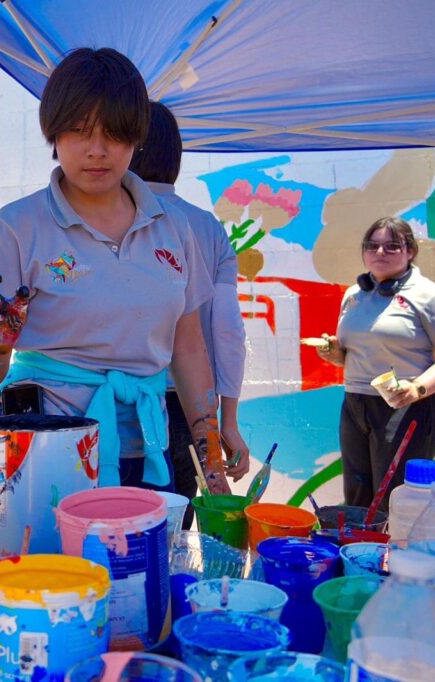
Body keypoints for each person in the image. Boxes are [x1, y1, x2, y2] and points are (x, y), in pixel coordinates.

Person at [0, 48, 243, 500]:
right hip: (41, 449)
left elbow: (188, 349)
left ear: (136, 137)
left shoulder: (175, 227)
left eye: (114, 133)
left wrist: (212, 469)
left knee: (142, 568)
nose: (97, 150)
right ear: (53, 132)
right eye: (78, 131)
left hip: (149, 452)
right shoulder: (17, 226)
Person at [128, 100, 249, 525]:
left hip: (116, 403)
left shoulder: (108, 217)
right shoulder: (207, 227)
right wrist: (227, 421)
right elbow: (227, 329)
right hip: (187, 407)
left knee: (113, 536)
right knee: (173, 534)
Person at [318, 216, 435, 508]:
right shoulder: (353, 295)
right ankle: (362, 554)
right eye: (372, 246)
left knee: (396, 501)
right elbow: (353, 354)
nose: (380, 253)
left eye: (392, 246)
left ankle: (397, 554)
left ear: (410, 251)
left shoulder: (431, 295)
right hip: (355, 404)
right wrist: (335, 353)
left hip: (407, 407)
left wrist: (417, 389)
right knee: (358, 499)